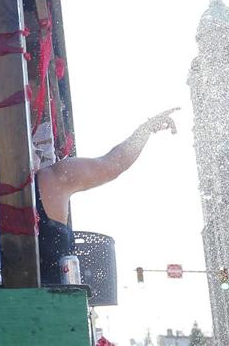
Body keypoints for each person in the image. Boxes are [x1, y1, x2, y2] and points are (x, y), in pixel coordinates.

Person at [35, 107, 179, 283]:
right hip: (47, 304)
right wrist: (146, 129)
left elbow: (113, 164)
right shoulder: (53, 180)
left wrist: (146, 129)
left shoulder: (51, 179)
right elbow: (113, 164)